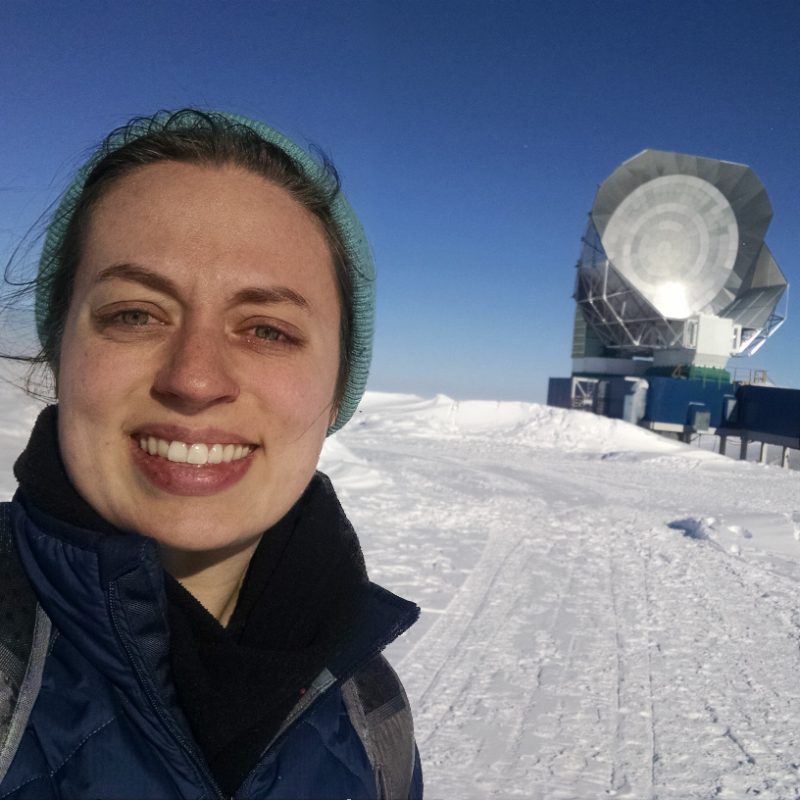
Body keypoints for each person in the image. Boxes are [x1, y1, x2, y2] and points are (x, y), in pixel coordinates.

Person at [0, 109, 422, 799]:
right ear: (61, 351)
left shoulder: (372, 720)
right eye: (135, 314)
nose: (195, 379)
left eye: (266, 329)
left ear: (339, 383)